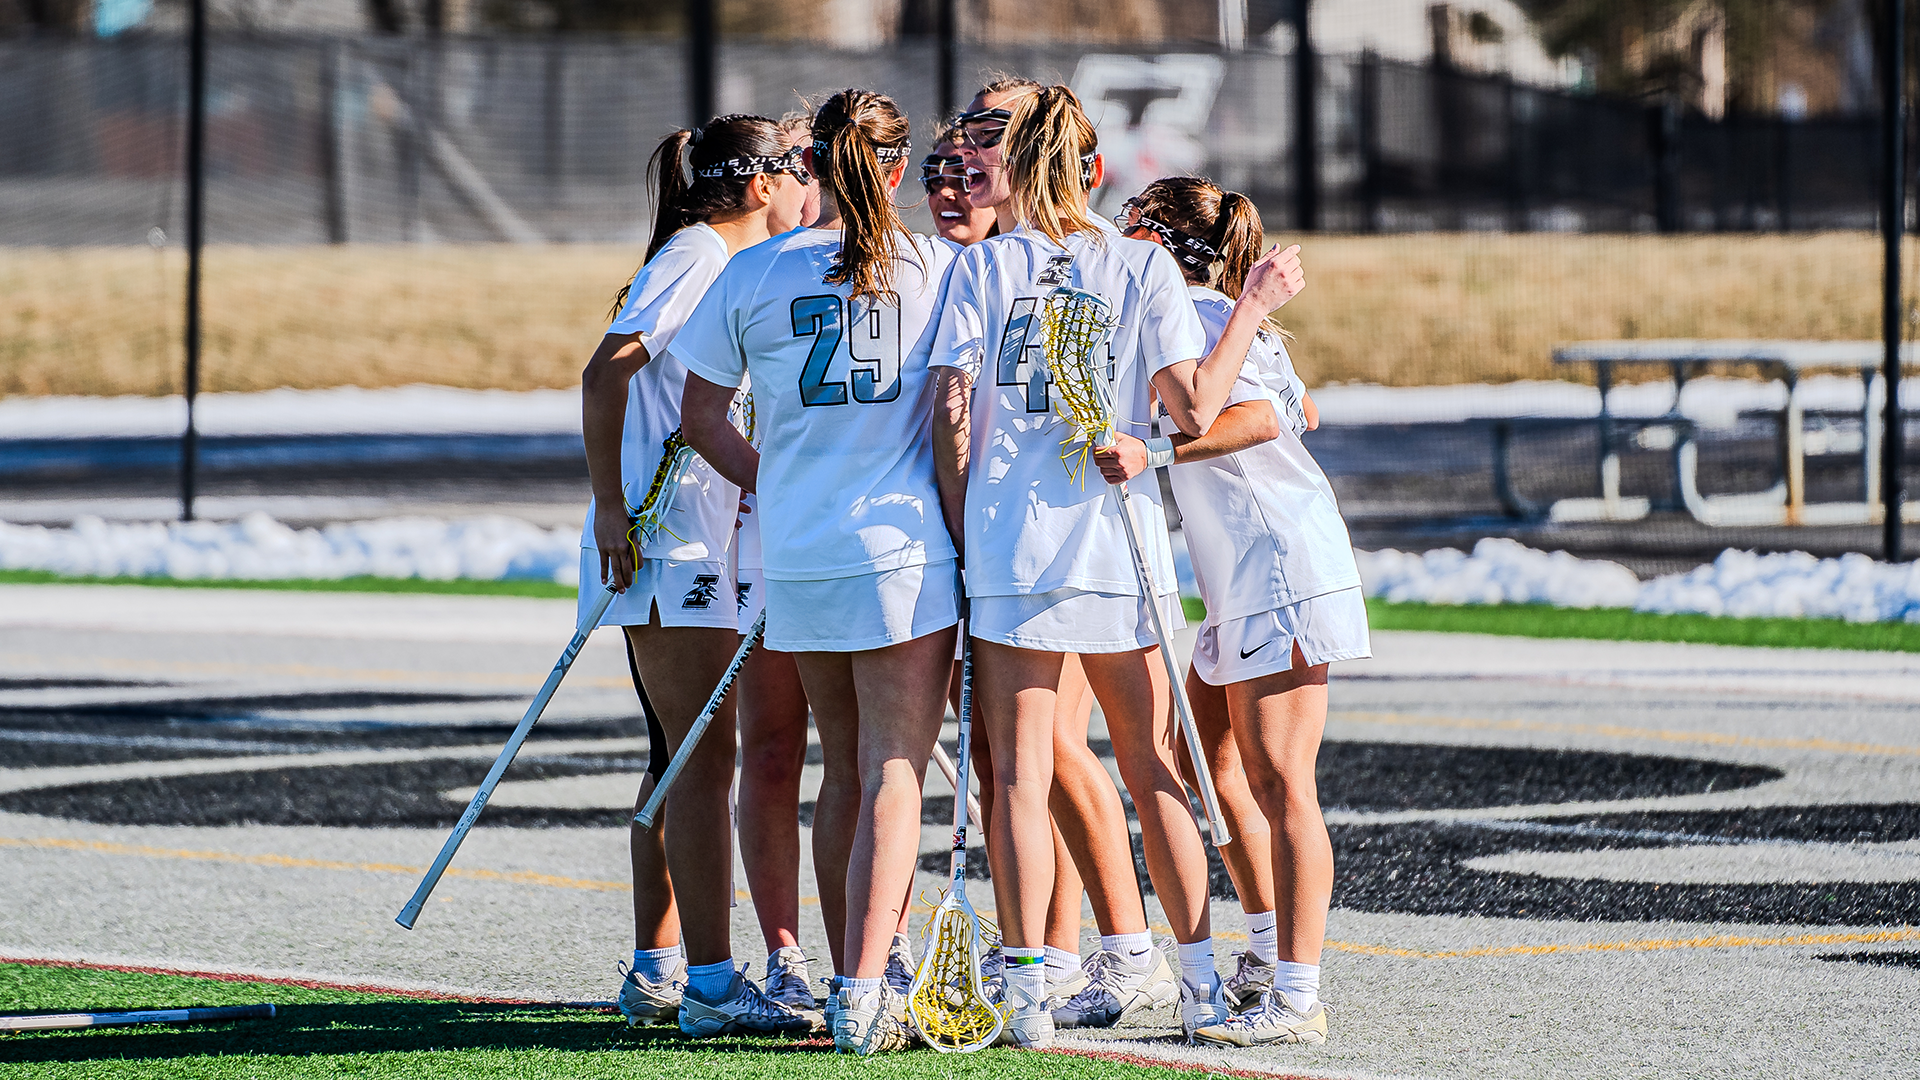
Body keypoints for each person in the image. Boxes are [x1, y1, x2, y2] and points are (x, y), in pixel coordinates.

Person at [926, 84, 1306, 1049]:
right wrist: (1249, 315)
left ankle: (1028, 995)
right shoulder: (1140, 263)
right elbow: (1193, 409)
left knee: (1020, 773)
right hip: (1116, 547)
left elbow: (951, 415)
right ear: (1093, 168)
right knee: (1152, 764)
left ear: (1016, 164)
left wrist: (964, 528)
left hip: (1013, 549)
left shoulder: (984, 265)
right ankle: (1200, 983)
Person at [675, 87, 959, 1056]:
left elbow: (701, 417)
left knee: (843, 769)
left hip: (800, 552)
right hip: (902, 550)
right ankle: (868, 989)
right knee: (892, 770)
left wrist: (782, 481)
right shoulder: (937, 267)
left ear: (811, 166)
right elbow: (959, 417)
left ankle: (850, 979)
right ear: (896, 167)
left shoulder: (755, 270)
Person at [1101, 177, 1364, 1047]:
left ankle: (1298, 995)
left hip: (1277, 564)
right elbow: (1304, 407)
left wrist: (1153, 449)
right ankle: (1262, 950)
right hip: (1243, 573)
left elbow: (1258, 420)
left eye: (1132, 221)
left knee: (1282, 783)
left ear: (1160, 240)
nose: (1117, 234)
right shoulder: (1212, 314)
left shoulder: (1200, 315)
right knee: (1202, 760)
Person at [947, 73, 1179, 1031]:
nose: (968, 160)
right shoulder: (983, 256)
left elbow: (953, 411)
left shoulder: (1036, 264)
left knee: (1048, 753)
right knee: (1022, 757)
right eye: (964, 142)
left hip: (1040, 537)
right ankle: (1064, 958)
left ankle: (1116, 951)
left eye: (992, 137)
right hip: (1037, 531)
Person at [578, 112, 814, 1039]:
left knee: (678, 757)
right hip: (666, 539)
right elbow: (607, 373)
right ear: (760, 184)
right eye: (797, 172)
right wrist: (610, 504)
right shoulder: (700, 255)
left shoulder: (730, 261)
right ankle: (712, 986)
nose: (809, 189)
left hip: (700, 538)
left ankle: (659, 967)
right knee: (699, 760)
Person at [731, 112, 828, 1028]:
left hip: (862, 541)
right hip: (771, 539)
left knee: (875, 756)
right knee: (769, 747)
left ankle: (882, 946)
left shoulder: (903, 263)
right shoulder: (754, 273)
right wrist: (773, 482)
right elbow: (702, 409)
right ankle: (786, 955)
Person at [920, 129, 995, 247]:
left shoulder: (1020, 254)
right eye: (936, 180)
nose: (944, 193)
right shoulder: (917, 256)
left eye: (966, 178)